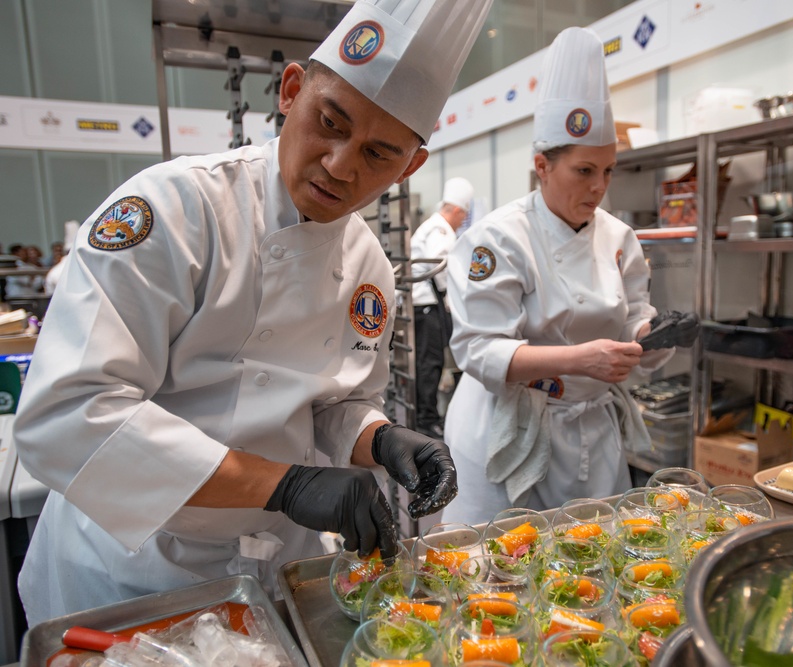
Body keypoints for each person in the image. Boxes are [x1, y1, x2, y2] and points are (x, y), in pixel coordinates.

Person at [14, 0, 492, 625]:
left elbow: (330, 402)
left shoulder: (369, 266)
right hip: (128, 568)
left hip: (273, 565)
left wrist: (380, 440)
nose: (341, 166)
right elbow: (67, 417)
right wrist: (287, 485)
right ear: (291, 91)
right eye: (330, 122)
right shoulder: (177, 210)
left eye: (379, 154)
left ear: (412, 164)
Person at [441, 27, 700, 526]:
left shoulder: (620, 237)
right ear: (542, 165)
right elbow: (478, 350)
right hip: (509, 428)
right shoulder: (498, 239)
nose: (599, 186)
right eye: (583, 171)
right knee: (502, 570)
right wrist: (582, 359)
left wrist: (652, 334)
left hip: (591, 431)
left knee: (592, 555)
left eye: (608, 170)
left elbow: (631, 324)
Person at [410, 177, 473, 437]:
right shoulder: (440, 230)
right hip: (427, 304)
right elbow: (441, 264)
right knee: (430, 364)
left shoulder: (432, 226)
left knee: (430, 363)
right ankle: (427, 420)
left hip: (424, 303)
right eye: (463, 217)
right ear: (456, 210)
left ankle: (426, 415)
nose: (461, 222)